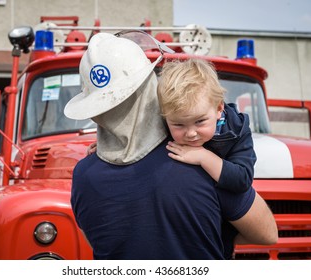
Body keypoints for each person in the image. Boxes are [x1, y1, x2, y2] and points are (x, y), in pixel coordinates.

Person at [64, 31, 277, 260]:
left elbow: (94, 239)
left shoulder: (83, 176)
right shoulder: (198, 158)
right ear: (149, 84)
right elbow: (267, 234)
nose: (191, 131)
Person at [157, 59, 255, 194]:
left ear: (219, 108)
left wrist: (204, 157)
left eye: (200, 121)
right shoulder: (158, 131)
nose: (191, 133)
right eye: (179, 124)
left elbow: (242, 179)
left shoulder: (237, 131)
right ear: (165, 118)